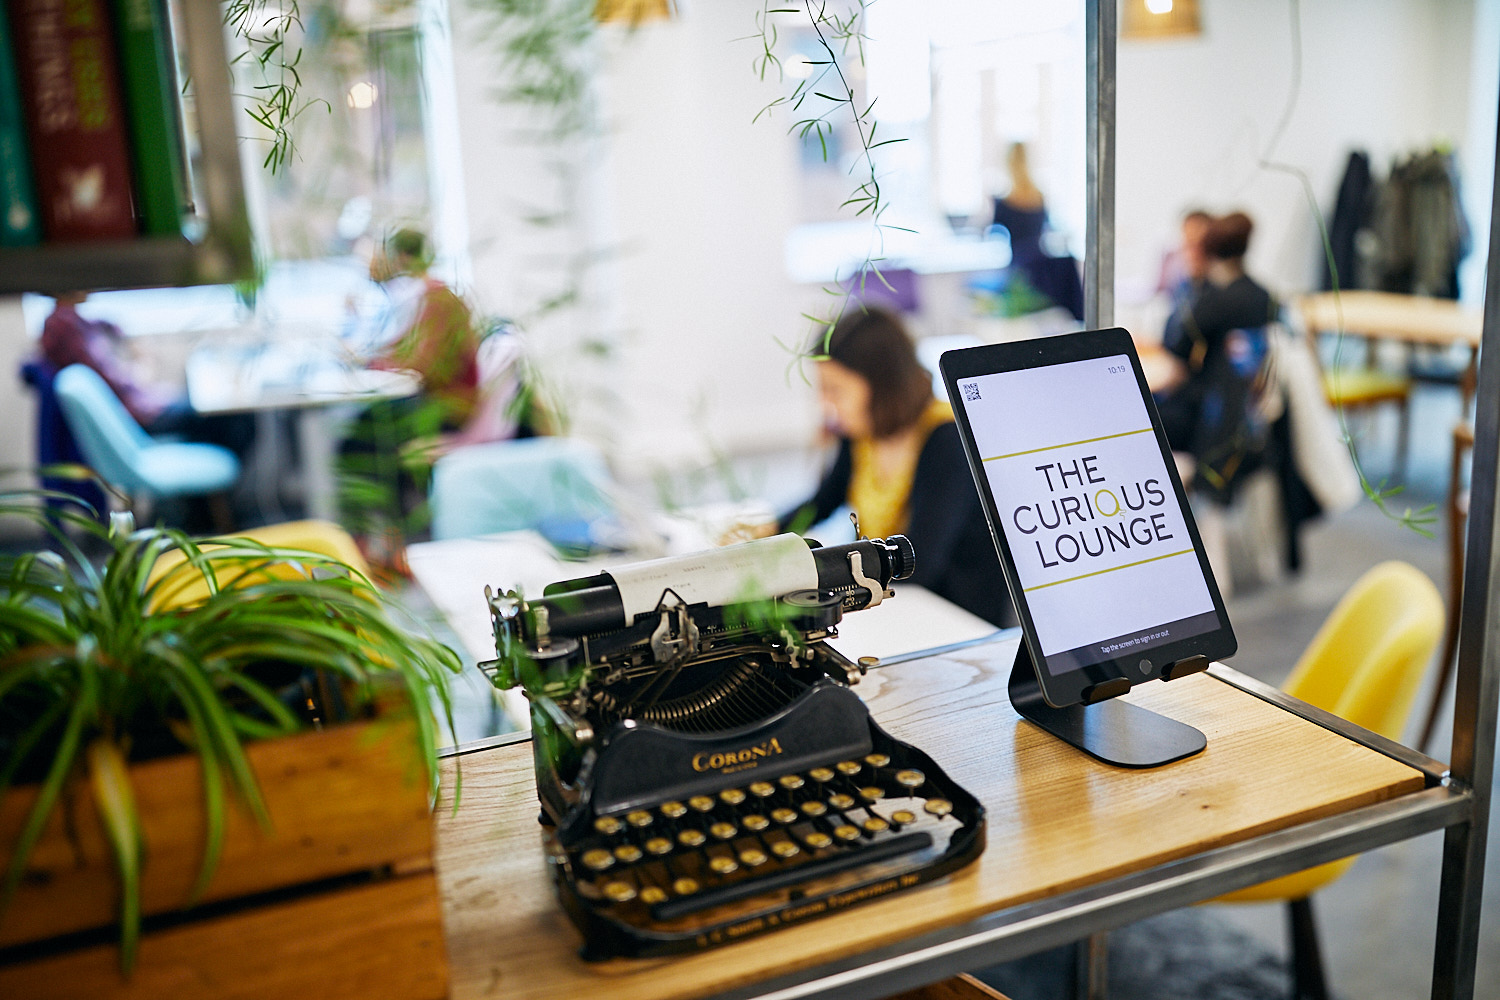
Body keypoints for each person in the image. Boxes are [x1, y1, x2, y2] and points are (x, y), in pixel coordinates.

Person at [779, 308, 1014, 627]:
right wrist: (768, 536)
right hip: (895, 598)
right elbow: (823, 501)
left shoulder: (946, 439)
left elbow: (923, 560)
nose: (826, 404)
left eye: (836, 390)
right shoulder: (862, 431)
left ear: (880, 384)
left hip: (954, 616)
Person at [1155, 212, 1279, 503]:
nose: (1189, 253)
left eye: (1194, 245)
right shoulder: (1262, 295)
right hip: (1244, 419)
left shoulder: (1213, 301)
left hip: (1212, 422)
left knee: (1140, 423)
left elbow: (1176, 348)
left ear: (1209, 248)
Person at [37, 292, 254, 457]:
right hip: (140, 415)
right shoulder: (62, 325)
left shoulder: (74, 320)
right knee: (235, 419)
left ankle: (197, 502)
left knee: (215, 415)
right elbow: (108, 379)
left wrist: (127, 342)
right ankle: (202, 507)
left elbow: (104, 325)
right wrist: (139, 370)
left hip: (143, 405)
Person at [989, 143, 1083, 322]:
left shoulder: (1004, 201)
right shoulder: (1039, 195)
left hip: (1019, 270)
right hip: (1042, 268)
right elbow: (1049, 227)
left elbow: (990, 232)